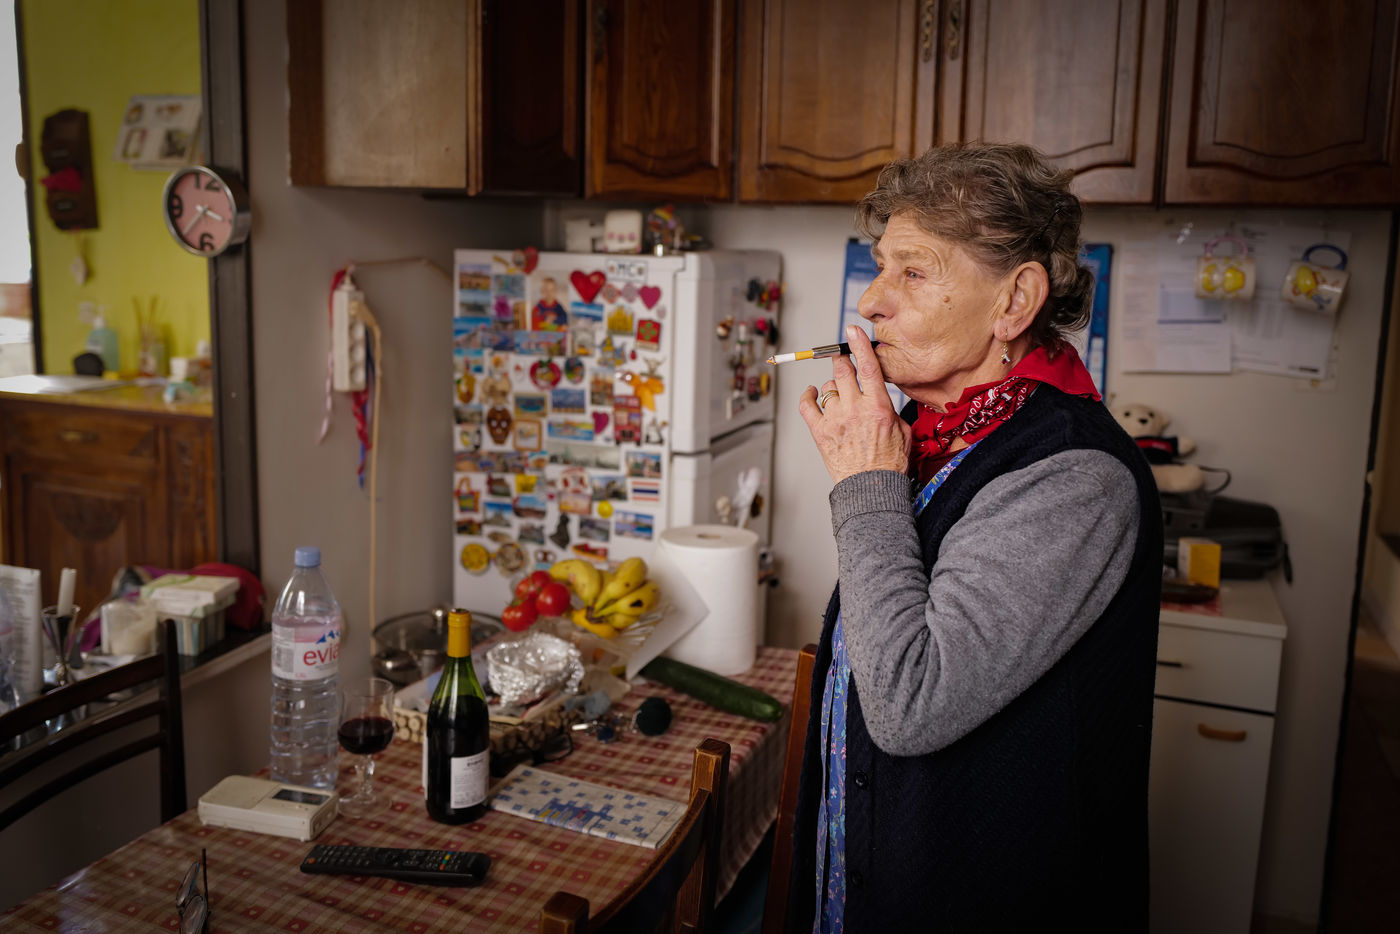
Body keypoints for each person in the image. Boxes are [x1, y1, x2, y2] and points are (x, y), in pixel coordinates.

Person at [787, 142, 1163, 931]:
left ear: (1014, 301)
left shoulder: (1075, 478)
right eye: (879, 268)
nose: (872, 303)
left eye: (912, 272)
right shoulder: (935, 433)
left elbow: (910, 704)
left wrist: (866, 484)